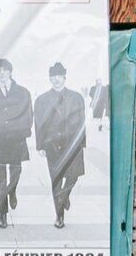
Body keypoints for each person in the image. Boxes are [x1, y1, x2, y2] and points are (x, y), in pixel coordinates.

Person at [33, 60, 97, 230]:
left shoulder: (76, 97)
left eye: (59, 76)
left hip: (72, 144)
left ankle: (64, 196)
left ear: (64, 77)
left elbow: (82, 121)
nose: (56, 80)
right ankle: (59, 215)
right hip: (52, 145)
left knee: (73, 176)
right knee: (56, 180)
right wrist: (40, 145)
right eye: (53, 77)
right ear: (49, 79)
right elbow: (38, 123)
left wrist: (82, 142)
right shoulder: (42, 100)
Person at [0, 57, 37, 227]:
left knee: (17, 170)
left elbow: (29, 114)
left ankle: (11, 191)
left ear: (11, 72)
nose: (2, 73)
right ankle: (2, 213)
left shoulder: (23, 92)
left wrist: (24, 131)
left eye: (5, 70)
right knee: (0, 176)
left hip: (17, 138)